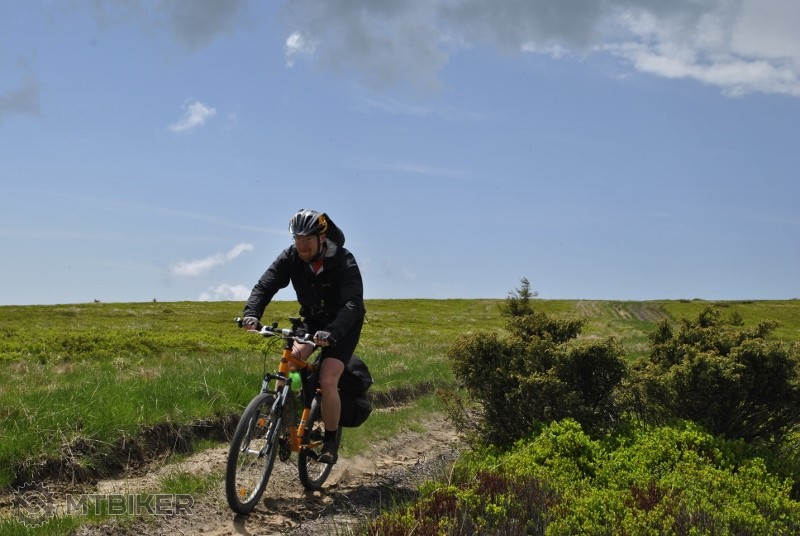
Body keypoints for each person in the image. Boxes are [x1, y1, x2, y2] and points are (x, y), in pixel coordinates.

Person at [241, 209, 365, 464]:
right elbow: (265, 285)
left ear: (322, 238)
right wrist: (251, 313)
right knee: (290, 361)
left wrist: (333, 332)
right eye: (297, 238)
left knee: (328, 378)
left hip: (343, 325)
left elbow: (353, 303)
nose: (301, 245)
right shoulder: (290, 256)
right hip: (312, 319)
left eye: (307, 239)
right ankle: (283, 417)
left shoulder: (343, 260)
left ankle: (330, 442)